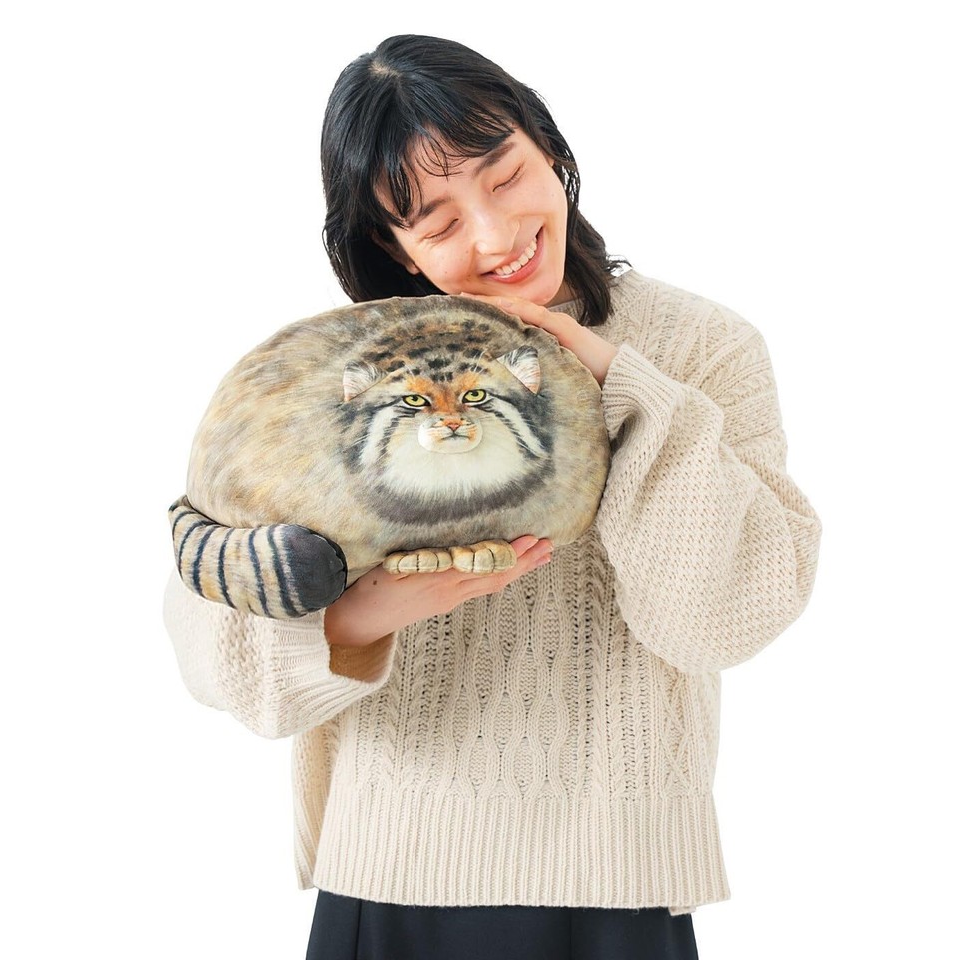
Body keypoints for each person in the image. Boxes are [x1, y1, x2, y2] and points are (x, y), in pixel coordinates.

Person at [163, 34, 822, 960]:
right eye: (435, 223)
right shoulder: (350, 366)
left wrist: (624, 387)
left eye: (505, 176)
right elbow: (212, 648)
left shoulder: (701, 350)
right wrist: (359, 616)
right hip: (391, 874)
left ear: (549, 148)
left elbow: (725, 618)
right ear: (389, 245)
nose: (495, 236)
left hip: (618, 885)